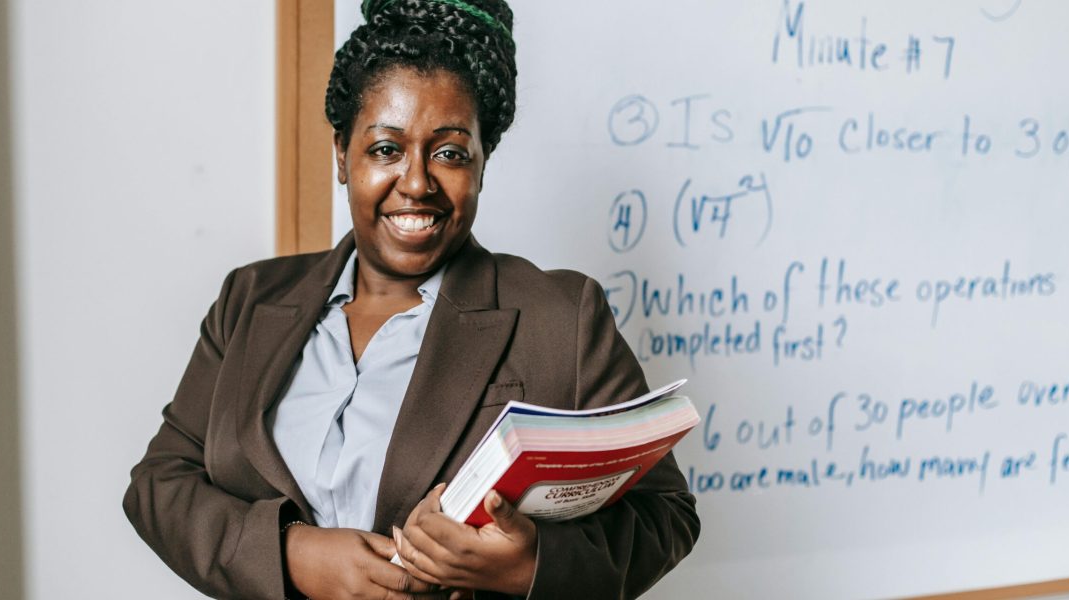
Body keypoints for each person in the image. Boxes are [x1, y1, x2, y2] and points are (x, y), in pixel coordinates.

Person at [123, 0, 700, 599]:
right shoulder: (250, 299)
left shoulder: (560, 318)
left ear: (481, 164)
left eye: (449, 152)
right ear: (341, 154)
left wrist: (527, 566)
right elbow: (160, 483)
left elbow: (667, 516)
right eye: (385, 149)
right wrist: (291, 554)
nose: (418, 181)